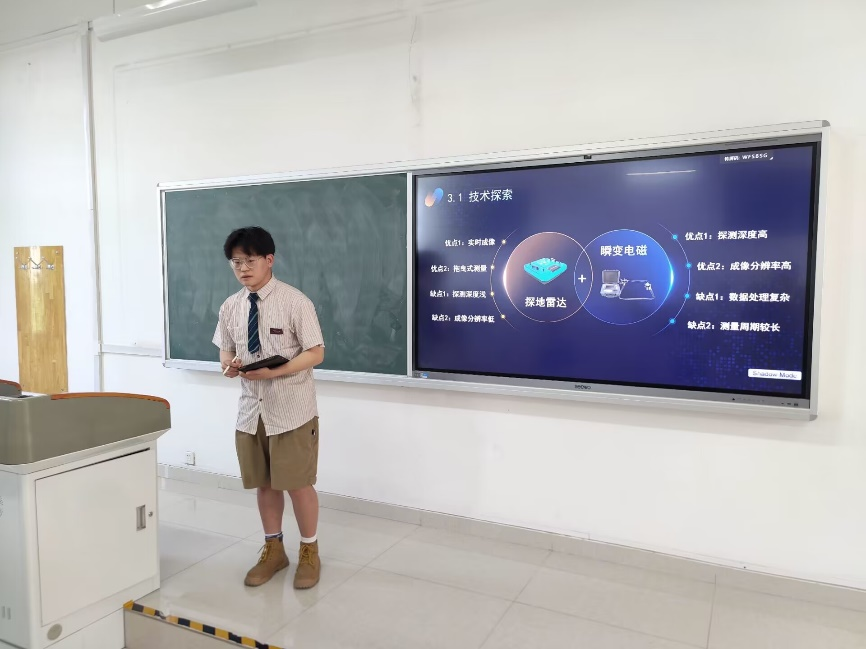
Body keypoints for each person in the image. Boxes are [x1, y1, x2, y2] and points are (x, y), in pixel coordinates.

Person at [213, 226, 325, 590]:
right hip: (252, 411)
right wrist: (229, 365)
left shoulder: (296, 302)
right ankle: (274, 549)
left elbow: (316, 352)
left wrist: (275, 371)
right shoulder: (230, 306)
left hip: (291, 409)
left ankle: (309, 550)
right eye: (236, 262)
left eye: (249, 260)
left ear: (269, 260)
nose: (242, 269)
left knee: (298, 484)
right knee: (264, 483)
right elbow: (226, 350)